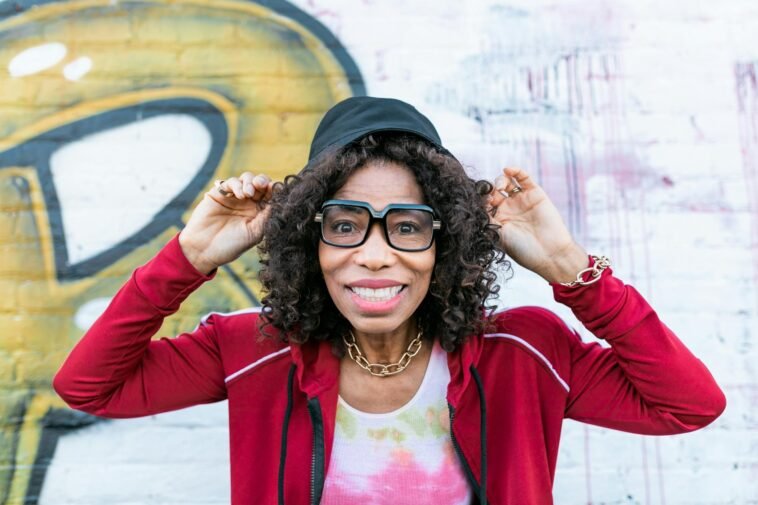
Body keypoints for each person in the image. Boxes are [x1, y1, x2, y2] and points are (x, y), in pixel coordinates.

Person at [53, 96, 726, 504]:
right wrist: (188, 260)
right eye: (345, 224)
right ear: (309, 242)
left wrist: (576, 274)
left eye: (407, 225)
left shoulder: (525, 351)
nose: (375, 253)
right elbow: (89, 386)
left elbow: (688, 403)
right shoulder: (248, 350)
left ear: (445, 242)